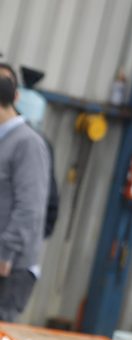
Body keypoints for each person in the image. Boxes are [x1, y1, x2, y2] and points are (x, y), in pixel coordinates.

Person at [0, 62, 48, 323]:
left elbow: (30, 207)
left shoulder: (27, 143)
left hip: (10, 269)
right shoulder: (5, 140)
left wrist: (5, 253)